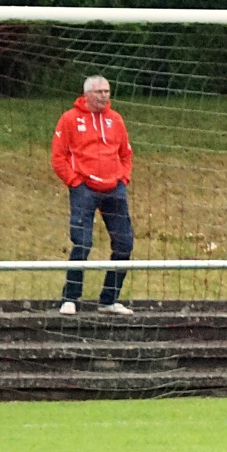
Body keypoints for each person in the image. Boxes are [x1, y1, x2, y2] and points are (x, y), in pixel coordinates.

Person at [51, 75, 135, 316]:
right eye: (99, 92)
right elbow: (58, 157)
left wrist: (123, 178)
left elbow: (126, 154)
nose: (104, 96)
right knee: (82, 242)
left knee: (125, 244)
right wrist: (75, 182)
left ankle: (109, 300)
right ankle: (70, 298)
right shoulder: (69, 119)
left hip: (114, 188)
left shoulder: (115, 119)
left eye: (107, 91)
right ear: (87, 94)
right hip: (84, 188)